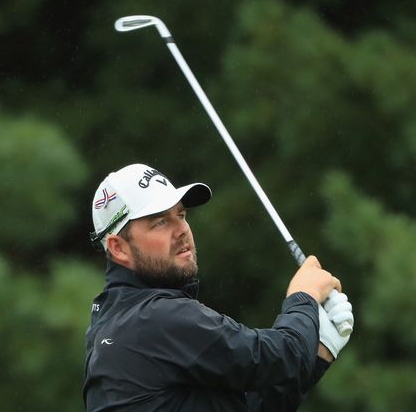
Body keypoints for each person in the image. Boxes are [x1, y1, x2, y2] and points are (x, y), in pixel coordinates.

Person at [83, 163, 354, 411]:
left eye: (181, 215)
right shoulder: (156, 318)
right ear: (118, 248)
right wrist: (303, 296)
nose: (182, 230)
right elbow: (280, 358)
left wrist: (319, 350)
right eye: (161, 222)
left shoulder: (115, 323)